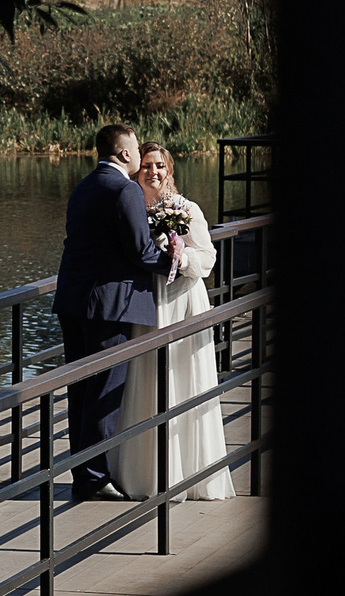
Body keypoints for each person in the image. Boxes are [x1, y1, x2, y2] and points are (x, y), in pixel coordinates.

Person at [53, 123, 181, 501]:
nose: (140, 153)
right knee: (104, 392)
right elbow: (140, 250)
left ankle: (83, 472)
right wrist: (173, 263)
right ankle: (94, 478)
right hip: (110, 306)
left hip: (73, 302)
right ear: (125, 153)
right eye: (137, 148)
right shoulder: (125, 189)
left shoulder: (83, 186)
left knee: (80, 391)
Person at [119, 143, 234, 501]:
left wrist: (180, 259)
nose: (152, 172)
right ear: (136, 171)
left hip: (183, 301)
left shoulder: (186, 208)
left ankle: (193, 474)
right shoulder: (130, 209)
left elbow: (207, 258)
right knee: (149, 379)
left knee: (185, 377)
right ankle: (149, 475)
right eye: (146, 166)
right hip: (147, 304)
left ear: (169, 170)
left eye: (159, 166)